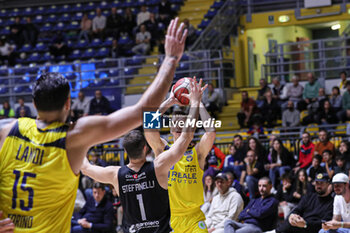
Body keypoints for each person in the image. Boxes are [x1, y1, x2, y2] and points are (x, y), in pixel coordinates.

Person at [0, 18, 188, 232]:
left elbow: (148, 123)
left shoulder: (7, 130)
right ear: (68, 103)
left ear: (33, 104)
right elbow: (146, 114)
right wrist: (171, 59)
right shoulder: (75, 138)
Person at [81, 78, 203, 232]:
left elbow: (85, 168)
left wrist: (78, 142)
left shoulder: (115, 174)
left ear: (125, 151)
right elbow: (187, 136)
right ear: (146, 148)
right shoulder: (159, 167)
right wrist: (194, 102)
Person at [145, 81, 216, 232]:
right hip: (172, 217)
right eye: (175, 123)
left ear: (189, 128)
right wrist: (168, 102)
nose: (178, 126)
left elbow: (210, 132)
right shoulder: (163, 151)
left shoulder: (197, 152)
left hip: (195, 217)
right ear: (170, 129)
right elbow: (148, 127)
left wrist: (198, 103)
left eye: (182, 124)